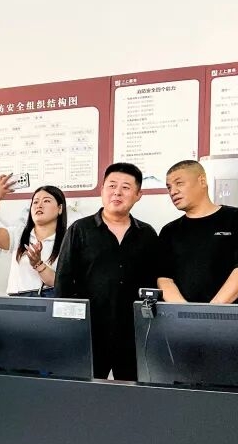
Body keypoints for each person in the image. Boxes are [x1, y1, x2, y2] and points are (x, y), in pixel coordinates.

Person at [54, 163, 160, 381]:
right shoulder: (79, 230)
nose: (117, 192)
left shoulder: (147, 234)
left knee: (132, 393)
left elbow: (154, 284)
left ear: (138, 195)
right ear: (102, 190)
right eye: (112, 185)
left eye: (126, 187)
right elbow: (63, 282)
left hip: (133, 334)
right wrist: (67, 330)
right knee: (82, 392)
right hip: (89, 332)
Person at [157, 160, 238, 304]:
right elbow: (164, 278)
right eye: (169, 187)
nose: (173, 191)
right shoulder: (169, 231)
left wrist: (210, 311)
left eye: (179, 183)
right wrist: (184, 311)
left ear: (202, 181)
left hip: (229, 314)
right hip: (183, 316)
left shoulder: (235, 218)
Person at [0, 175, 67, 296]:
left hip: (51, 300)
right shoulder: (19, 234)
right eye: (35, 202)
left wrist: (38, 264)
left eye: (46, 201)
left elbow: (63, 284)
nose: (39, 205)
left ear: (60, 208)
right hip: (18, 301)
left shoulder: (68, 239)